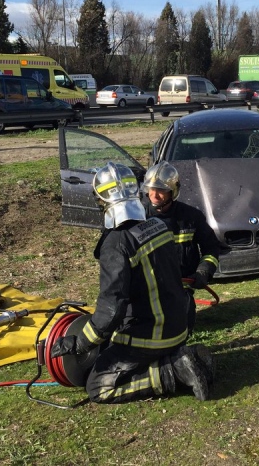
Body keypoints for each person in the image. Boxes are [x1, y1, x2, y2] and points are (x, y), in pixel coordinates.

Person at [48, 162, 215, 403]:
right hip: (180, 327)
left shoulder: (116, 243)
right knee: (109, 354)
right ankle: (183, 358)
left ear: (102, 200)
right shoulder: (157, 225)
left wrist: (80, 343)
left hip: (152, 334)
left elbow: (111, 310)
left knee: (97, 386)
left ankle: (174, 372)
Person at [140, 161, 220, 333]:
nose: (154, 195)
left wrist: (203, 271)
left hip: (181, 286)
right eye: (151, 189)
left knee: (182, 327)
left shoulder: (191, 217)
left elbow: (211, 248)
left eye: (161, 190)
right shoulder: (137, 217)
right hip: (145, 288)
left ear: (173, 191)